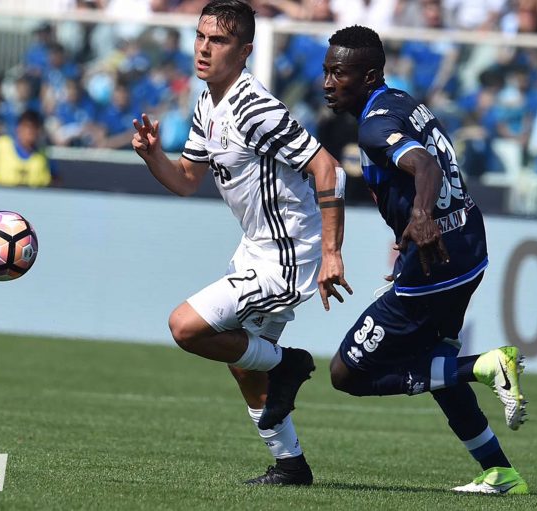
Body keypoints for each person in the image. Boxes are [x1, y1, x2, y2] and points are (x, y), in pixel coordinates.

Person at [132, 0, 350, 485]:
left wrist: (332, 253)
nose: (204, 48)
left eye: (219, 40)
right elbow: (187, 179)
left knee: (185, 326)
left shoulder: (256, 109)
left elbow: (329, 168)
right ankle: (291, 465)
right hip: (257, 247)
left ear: (245, 51)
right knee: (245, 363)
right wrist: (153, 157)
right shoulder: (207, 102)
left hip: (288, 254)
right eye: (201, 36)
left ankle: (289, 364)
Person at [321, 25, 529, 494]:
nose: (328, 83)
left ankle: (485, 365)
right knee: (433, 363)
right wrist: (409, 238)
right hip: (466, 248)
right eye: (327, 71)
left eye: (340, 73)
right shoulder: (402, 101)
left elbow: (426, 166)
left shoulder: (373, 127)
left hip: (437, 263)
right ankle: (500, 472)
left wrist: (420, 217)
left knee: (347, 373)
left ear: (369, 76)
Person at [0, 110, 60, 187]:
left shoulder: (43, 154)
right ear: (18, 128)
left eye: (34, 128)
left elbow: (56, 179)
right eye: (27, 127)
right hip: (3, 202)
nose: (30, 132)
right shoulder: (1, 145)